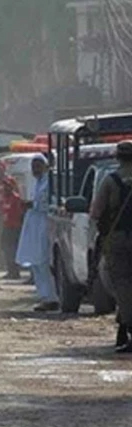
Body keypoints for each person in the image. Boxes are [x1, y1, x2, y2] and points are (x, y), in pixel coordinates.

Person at [90, 141, 132, 352]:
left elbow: (96, 212)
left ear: (118, 157)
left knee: (123, 285)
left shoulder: (110, 180)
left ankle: (128, 327)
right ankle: (123, 328)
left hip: (118, 238)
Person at [16, 154, 59, 311]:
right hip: (35, 225)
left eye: (38, 166)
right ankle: (45, 296)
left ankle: (51, 297)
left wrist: (32, 205)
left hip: (45, 224)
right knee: (37, 262)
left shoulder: (50, 182)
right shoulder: (38, 183)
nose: (35, 169)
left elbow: (48, 203)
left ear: (46, 166)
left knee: (44, 261)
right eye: (33, 166)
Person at [0, 177, 24, 279]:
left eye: (8, 186)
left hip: (15, 227)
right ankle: (10, 270)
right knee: (7, 250)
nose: (5, 188)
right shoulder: (5, 198)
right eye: (4, 186)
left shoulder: (16, 198)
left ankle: (15, 271)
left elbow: (20, 213)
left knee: (13, 250)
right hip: (7, 226)